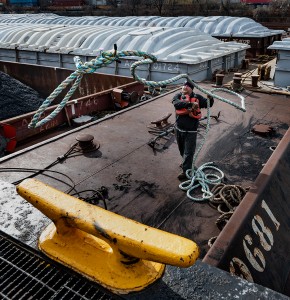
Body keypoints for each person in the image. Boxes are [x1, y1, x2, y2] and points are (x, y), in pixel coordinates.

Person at [172, 80, 214, 180]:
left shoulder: (198, 98)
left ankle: (186, 172)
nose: (185, 87)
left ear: (192, 88)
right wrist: (189, 105)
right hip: (179, 129)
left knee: (188, 152)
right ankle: (186, 163)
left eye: (187, 86)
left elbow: (208, 104)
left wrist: (210, 98)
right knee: (182, 150)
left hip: (191, 131)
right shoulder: (178, 96)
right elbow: (176, 104)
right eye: (184, 85)